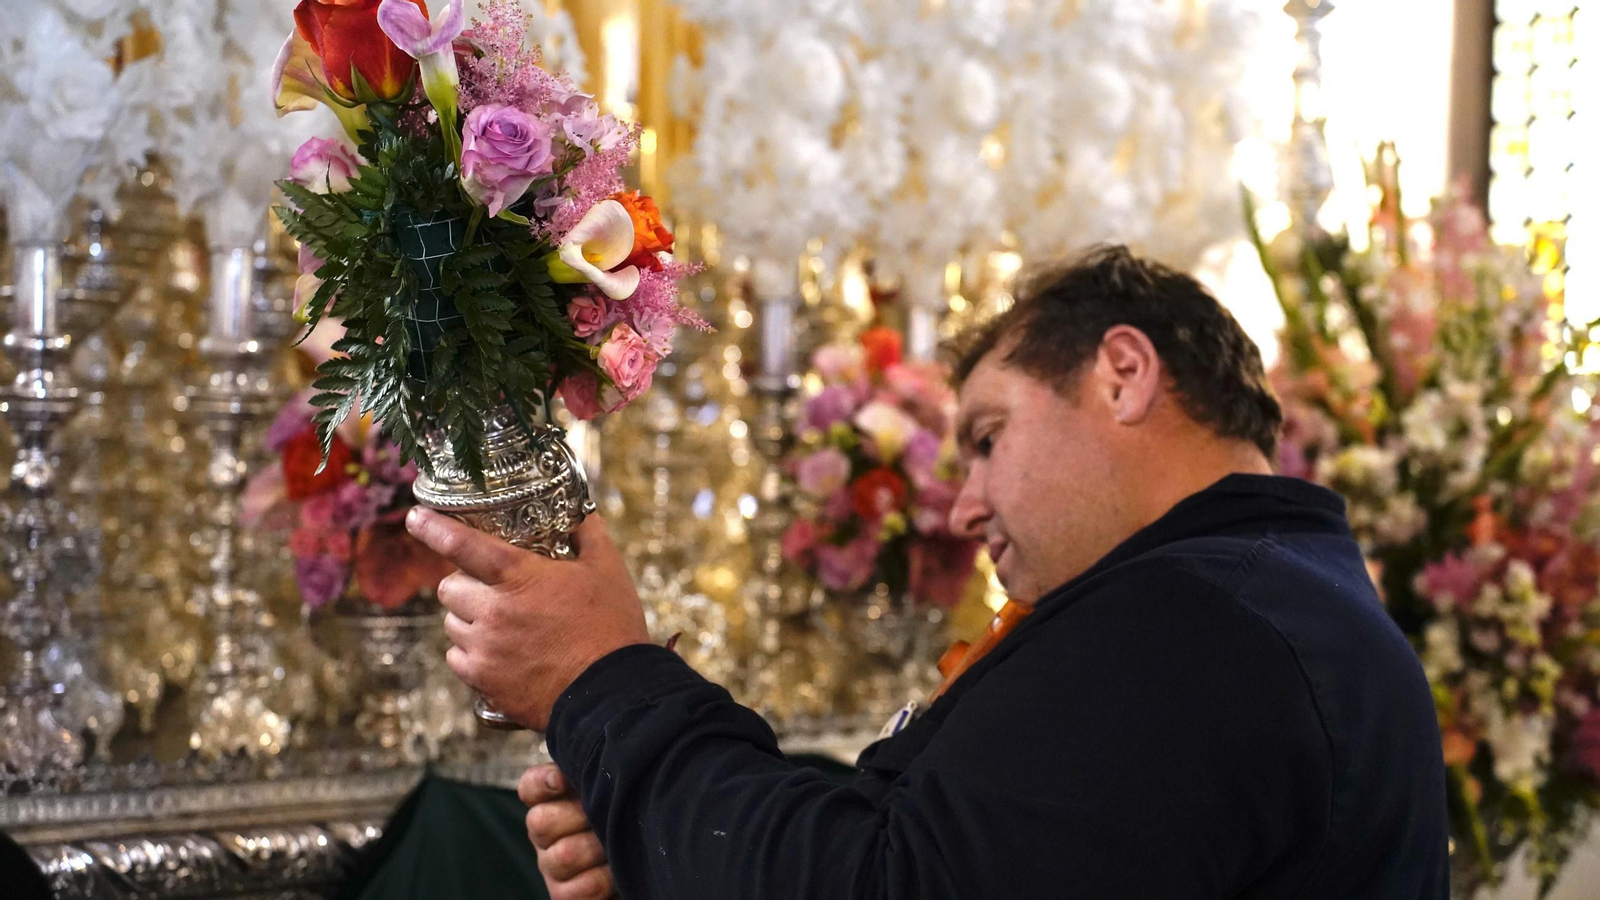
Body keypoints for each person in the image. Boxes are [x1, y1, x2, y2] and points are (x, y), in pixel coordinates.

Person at [406, 245, 1450, 900]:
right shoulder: (1272, 596)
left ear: (1122, 375)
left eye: (989, 439)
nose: (964, 506)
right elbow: (924, 848)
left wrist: (604, 674)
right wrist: (660, 839)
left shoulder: (1199, 620)